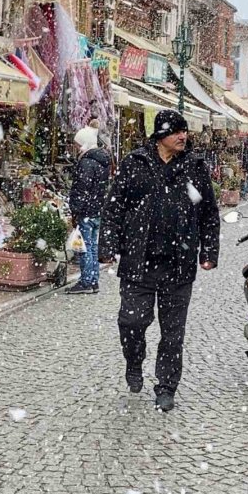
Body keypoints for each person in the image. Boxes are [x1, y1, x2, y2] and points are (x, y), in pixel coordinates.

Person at [100, 110, 219, 412]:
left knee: (173, 333)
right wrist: (108, 245)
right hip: (138, 262)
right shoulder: (135, 163)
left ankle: (166, 386)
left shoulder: (194, 166)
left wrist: (208, 252)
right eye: (177, 131)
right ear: (160, 135)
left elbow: (209, 213)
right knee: (131, 321)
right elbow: (114, 207)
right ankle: (134, 361)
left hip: (178, 265)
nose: (183, 136)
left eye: (185, 131)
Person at [66, 125, 110, 295]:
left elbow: (81, 189)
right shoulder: (101, 161)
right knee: (92, 246)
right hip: (96, 209)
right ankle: (93, 280)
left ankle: (86, 282)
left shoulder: (86, 162)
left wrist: (76, 210)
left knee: (84, 247)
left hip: (86, 211)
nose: (76, 148)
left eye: (78, 144)